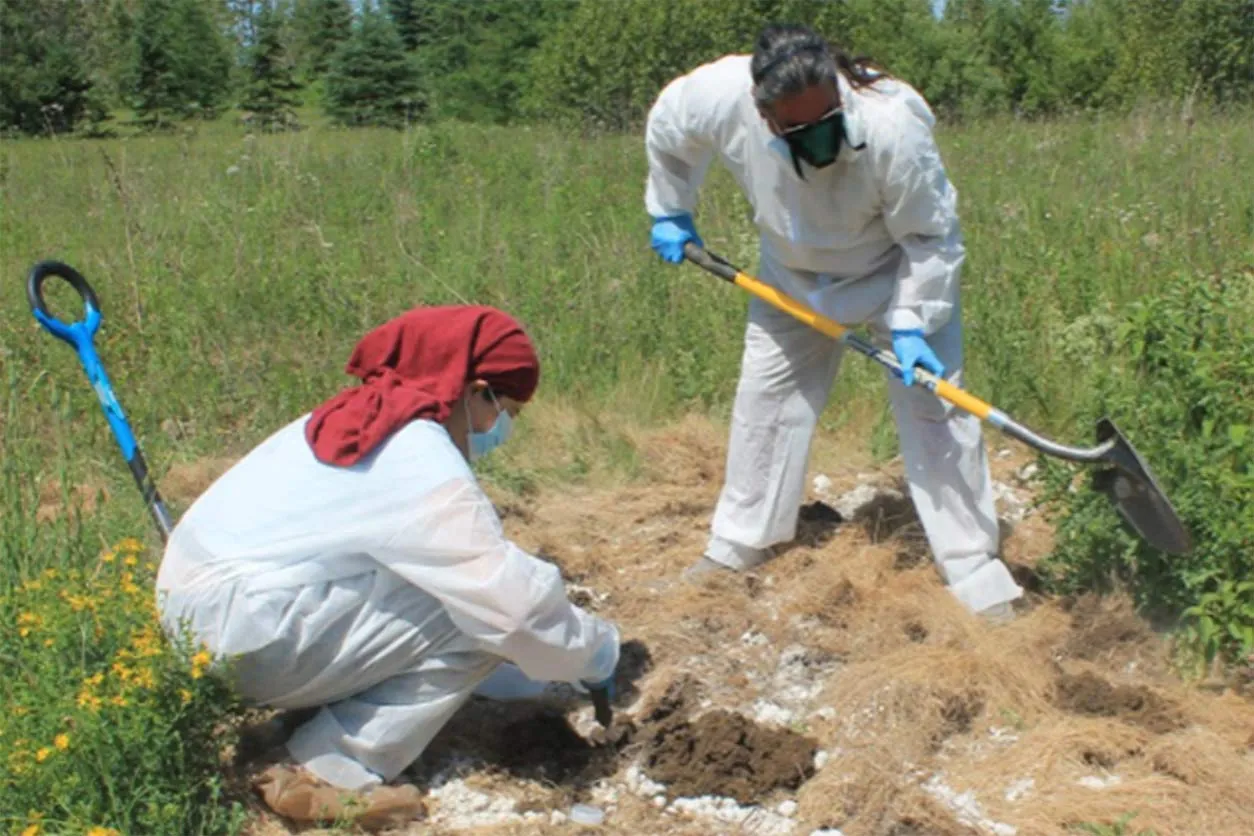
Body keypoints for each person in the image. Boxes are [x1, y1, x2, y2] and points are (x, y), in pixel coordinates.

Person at [154, 305, 621, 827]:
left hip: (203, 620)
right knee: (473, 608)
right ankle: (332, 767)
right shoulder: (415, 455)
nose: (500, 427)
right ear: (476, 390)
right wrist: (597, 652)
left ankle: (328, 700)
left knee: (446, 583)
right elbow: (512, 606)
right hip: (249, 639)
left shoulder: (357, 418)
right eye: (505, 410)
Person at [643, 22, 1023, 618]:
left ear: (837, 92)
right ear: (764, 114)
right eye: (797, 129)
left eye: (826, 122)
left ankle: (973, 566)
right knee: (765, 403)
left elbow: (931, 236)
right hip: (792, 278)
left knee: (937, 413)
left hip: (894, 274)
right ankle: (743, 541)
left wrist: (912, 321)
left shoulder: (892, 124)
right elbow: (669, 126)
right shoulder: (720, 95)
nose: (817, 140)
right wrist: (671, 209)